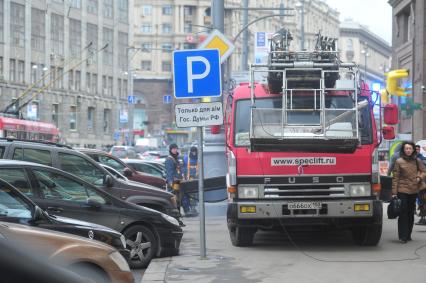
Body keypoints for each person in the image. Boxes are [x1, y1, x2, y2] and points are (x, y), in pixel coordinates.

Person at [391, 141, 425, 243]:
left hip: (414, 189)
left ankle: (408, 234)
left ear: (413, 149)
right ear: (403, 150)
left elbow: (424, 171)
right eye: (406, 148)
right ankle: (402, 236)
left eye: (410, 148)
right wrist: (394, 192)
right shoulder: (399, 161)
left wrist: (419, 177)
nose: (408, 150)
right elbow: (395, 178)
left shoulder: (417, 160)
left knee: (410, 212)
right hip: (402, 189)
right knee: (403, 212)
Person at [165, 144, 185, 226]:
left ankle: (178, 219)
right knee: (174, 201)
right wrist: (170, 183)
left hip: (178, 182)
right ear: (170, 150)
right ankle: (175, 220)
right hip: (174, 183)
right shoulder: (170, 159)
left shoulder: (176, 158)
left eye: (176, 148)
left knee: (178, 201)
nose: (175, 150)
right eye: (173, 149)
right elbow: (169, 173)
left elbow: (178, 170)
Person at [182, 146, 199, 216]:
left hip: (196, 180)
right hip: (188, 180)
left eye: (195, 152)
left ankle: (193, 208)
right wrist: (184, 177)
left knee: (194, 194)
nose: (194, 153)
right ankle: (189, 209)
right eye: (193, 152)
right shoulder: (186, 158)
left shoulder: (199, 158)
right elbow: (183, 168)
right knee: (189, 195)